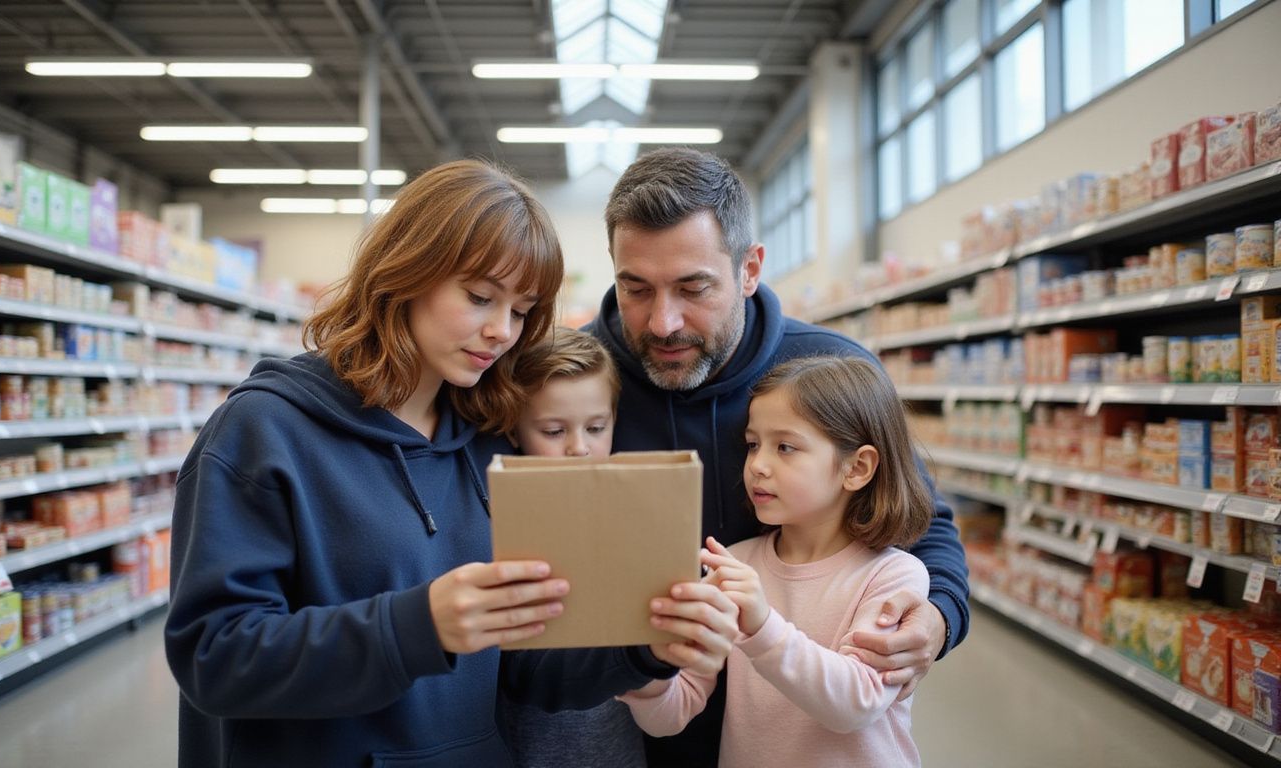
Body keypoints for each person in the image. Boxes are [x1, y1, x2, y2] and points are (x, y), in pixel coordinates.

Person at [164, 160, 739, 767]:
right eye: (480, 297)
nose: (501, 332)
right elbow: (214, 657)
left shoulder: (488, 441)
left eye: (521, 310)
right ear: (407, 273)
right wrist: (417, 627)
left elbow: (525, 663)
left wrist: (644, 646)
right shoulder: (265, 433)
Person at [587, 147, 970, 766]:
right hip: (629, 730)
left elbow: (924, 524)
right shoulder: (576, 382)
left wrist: (938, 618)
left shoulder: (829, 371)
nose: (663, 322)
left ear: (749, 268)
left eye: (693, 288)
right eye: (636, 288)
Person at [621, 355, 933, 767]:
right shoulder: (735, 564)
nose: (757, 466)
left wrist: (762, 625)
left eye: (785, 447)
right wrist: (643, 669)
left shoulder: (891, 575)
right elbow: (674, 714)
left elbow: (858, 703)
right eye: (753, 445)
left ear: (856, 468)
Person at [500, 328, 647, 768]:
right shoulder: (498, 521)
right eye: (553, 430)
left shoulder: (634, 515)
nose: (579, 448)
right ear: (513, 428)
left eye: (596, 427)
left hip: (616, 747)